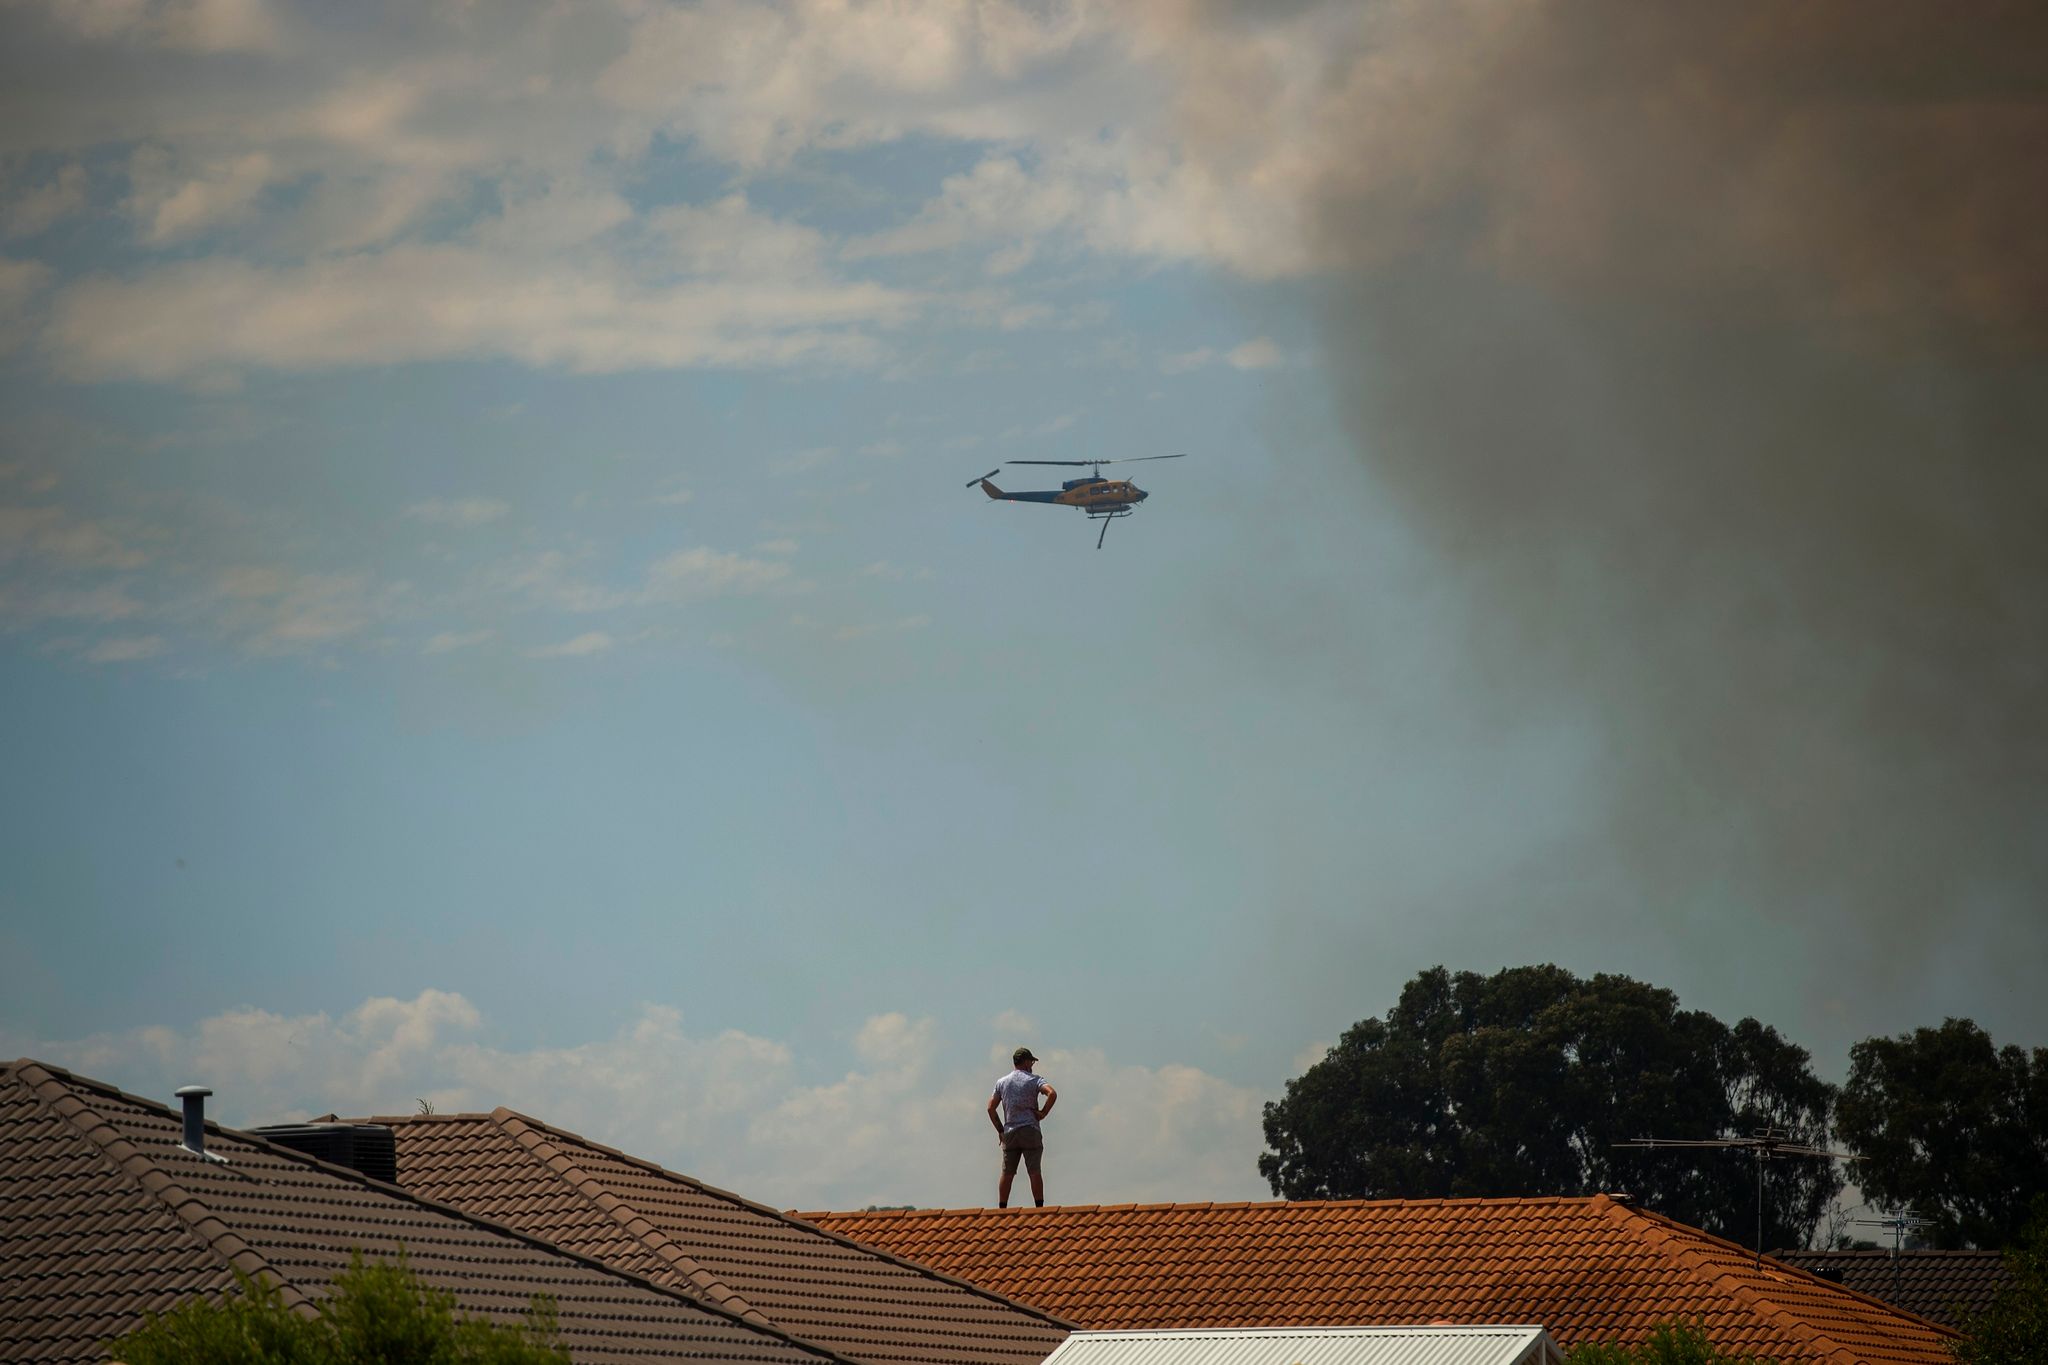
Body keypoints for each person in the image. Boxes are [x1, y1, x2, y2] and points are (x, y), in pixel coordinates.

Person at [988, 1046, 1056, 1208]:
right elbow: (1052, 1093)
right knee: (1034, 1170)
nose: (1032, 1064)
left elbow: (991, 1108)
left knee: (1007, 1172)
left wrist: (1000, 1130)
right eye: (1031, 1061)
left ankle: (1002, 1209)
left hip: (1010, 1131)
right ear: (1025, 1062)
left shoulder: (1002, 1082)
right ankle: (1039, 1208)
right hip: (1030, 1129)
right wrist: (1043, 1113)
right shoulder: (1034, 1080)